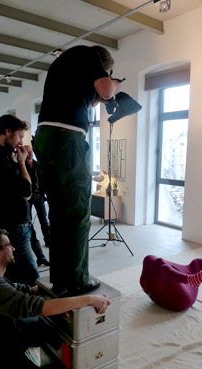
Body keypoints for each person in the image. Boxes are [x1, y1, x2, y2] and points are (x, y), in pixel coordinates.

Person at [0, 229, 110, 369]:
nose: (13, 248)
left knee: (42, 329)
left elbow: (17, 290)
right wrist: (90, 299)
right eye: (8, 245)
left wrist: (48, 287)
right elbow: (42, 308)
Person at [33, 45, 121, 297]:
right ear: (104, 66)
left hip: (46, 136)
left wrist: (99, 97)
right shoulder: (89, 55)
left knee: (60, 213)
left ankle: (60, 279)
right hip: (67, 137)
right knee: (79, 212)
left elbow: (89, 98)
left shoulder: (64, 66)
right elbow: (105, 89)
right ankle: (78, 280)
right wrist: (114, 86)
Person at [0, 114, 39, 285]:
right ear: (8, 131)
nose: (20, 141)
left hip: (8, 222)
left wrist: (25, 162)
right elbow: (27, 191)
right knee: (32, 277)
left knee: (14, 271)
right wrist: (21, 163)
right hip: (14, 224)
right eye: (19, 135)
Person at [25, 143, 50, 248]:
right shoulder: (20, 166)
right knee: (28, 220)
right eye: (28, 151)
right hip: (26, 198)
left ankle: (48, 240)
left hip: (39, 196)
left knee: (43, 219)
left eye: (31, 151)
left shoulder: (38, 165)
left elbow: (44, 180)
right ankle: (32, 242)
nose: (30, 153)